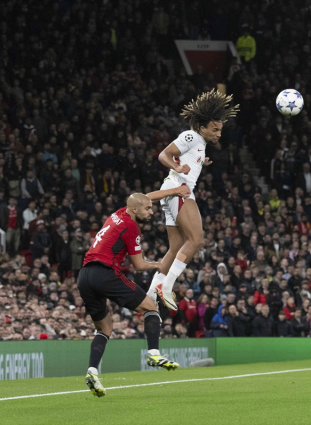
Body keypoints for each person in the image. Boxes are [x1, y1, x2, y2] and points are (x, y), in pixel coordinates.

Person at [78, 187, 189, 397]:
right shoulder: (131, 227)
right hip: (105, 273)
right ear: (135, 209)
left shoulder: (118, 214)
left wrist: (174, 190)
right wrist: (156, 265)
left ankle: (92, 371)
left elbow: (145, 198)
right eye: (147, 210)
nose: (151, 212)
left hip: (84, 276)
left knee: (105, 328)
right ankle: (154, 353)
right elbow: (138, 265)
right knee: (150, 307)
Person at [146, 90, 239, 310]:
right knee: (196, 240)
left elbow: (187, 157)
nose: (218, 134)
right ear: (203, 127)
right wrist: (178, 166)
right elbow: (163, 155)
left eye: (220, 130)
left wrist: (200, 162)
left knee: (175, 247)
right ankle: (167, 286)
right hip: (179, 191)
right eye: (214, 130)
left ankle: (150, 294)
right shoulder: (192, 136)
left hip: (174, 193)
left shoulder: (200, 143)